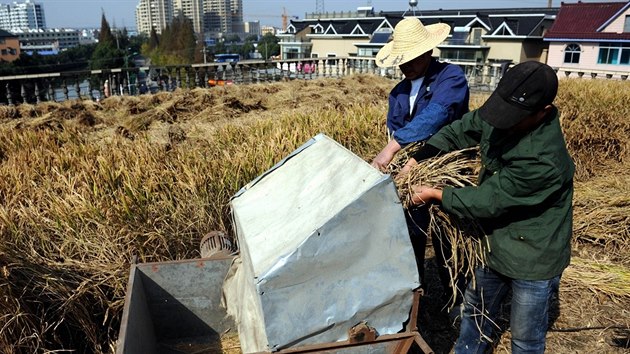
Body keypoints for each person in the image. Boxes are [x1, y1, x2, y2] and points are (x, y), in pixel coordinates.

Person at [403, 61, 574, 353]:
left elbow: (488, 200)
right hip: (492, 242)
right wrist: (421, 157)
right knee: (476, 314)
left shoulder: (543, 159)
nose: (501, 121)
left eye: (513, 117)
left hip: (533, 253)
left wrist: (434, 193)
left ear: (543, 112)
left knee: (525, 336)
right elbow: (463, 128)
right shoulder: (504, 113)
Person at [371, 17, 470, 310]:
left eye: (411, 58)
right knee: (409, 236)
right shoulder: (398, 92)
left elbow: (437, 115)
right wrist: (400, 164)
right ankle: (414, 302)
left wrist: (393, 150)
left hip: (445, 173)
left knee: (448, 240)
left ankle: (459, 304)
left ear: (428, 52)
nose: (404, 64)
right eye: (401, 58)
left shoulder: (451, 78)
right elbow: (396, 127)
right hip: (408, 175)